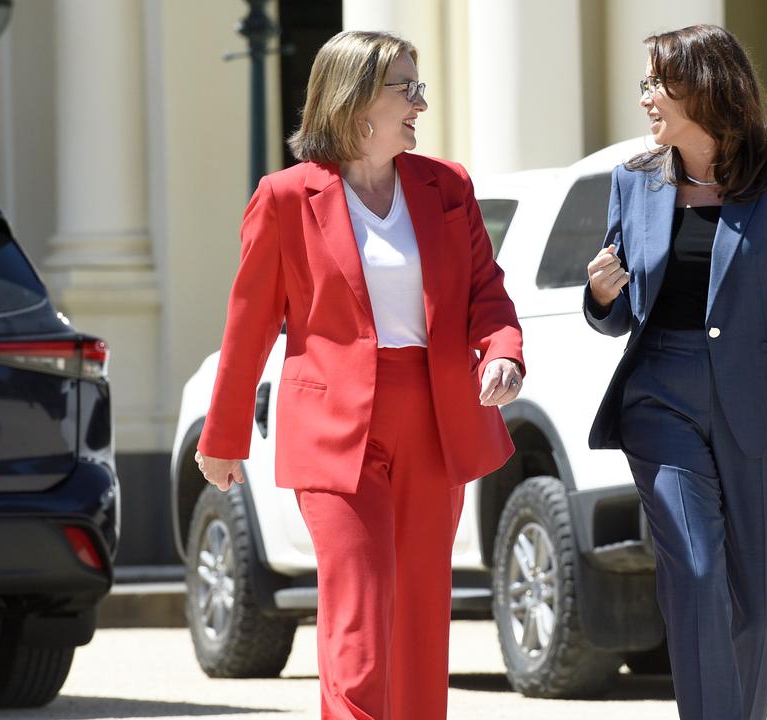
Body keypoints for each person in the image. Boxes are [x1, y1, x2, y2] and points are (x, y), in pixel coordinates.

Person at [195, 30, 525, 720]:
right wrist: (222, 436)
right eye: (408, 88)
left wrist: (501, 350)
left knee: (420, 621)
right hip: (337, 430)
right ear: (356, 100)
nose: (421, 104)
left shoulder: (446, 186)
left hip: (435, 420)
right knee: (360, 620)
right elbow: (250, 324)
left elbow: (485, 295)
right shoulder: (285, 197)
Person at [583, 24, 767, 720]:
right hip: (662, 401)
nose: (645, 97)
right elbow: (621, 311)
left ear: (704, 87)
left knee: (754, 601)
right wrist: (599, 296)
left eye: (657, 82)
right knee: (695, 572)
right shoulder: (634, 182)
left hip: (763, 407)